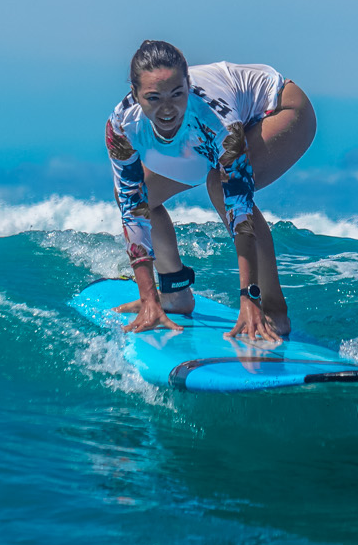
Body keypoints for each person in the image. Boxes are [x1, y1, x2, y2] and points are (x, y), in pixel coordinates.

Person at [105, 39, 315, 344]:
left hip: (279, 109)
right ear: (135, 94)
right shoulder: (121, 126)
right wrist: (148, 297)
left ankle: (273, 310)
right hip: (204, 133)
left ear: (188, 85)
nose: (167, 108)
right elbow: (132, 207)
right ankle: (174, 293)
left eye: (177, 94)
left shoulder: (217, 118)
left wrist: (249, 297)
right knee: (140, 194)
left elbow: (239, 205)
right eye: (153, 97)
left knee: (221, 185)